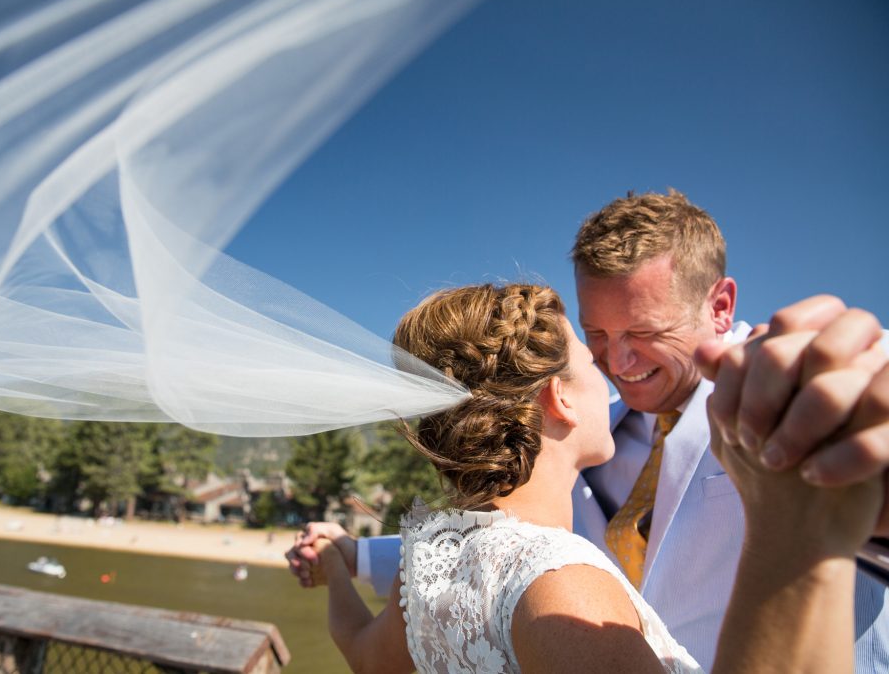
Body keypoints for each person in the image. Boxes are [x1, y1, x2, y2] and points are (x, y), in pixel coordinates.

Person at [288, 190, 889, 670]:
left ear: (721, 307)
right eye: (596, 336)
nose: (618, 364)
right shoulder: (580, 445)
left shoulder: (793, 397)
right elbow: (503, 543)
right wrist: (356, 556)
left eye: (645, 332)